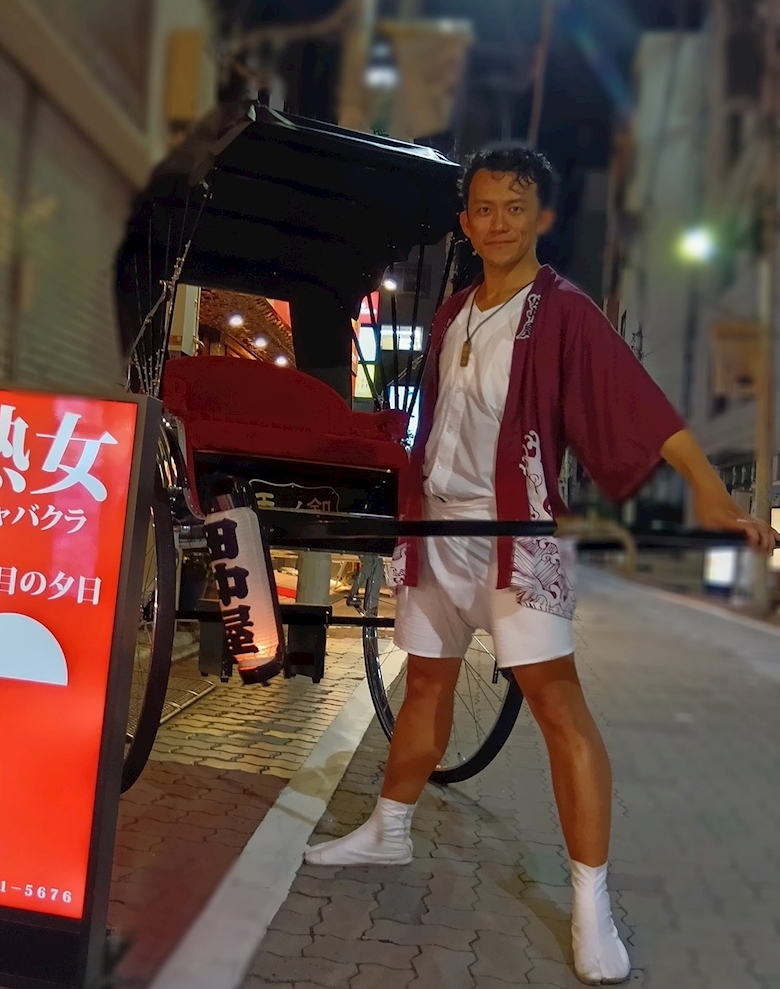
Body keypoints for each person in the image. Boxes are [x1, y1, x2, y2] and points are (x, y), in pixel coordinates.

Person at [303, 147, 776, 986]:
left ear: (540, 218)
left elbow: (638, 399)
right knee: (426, 684)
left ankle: (592, 903)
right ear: (466, 221)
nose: (498, 223)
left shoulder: (563, 311)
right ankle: (388, 827)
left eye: (514, 207)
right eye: (484, 208)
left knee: (559, 704)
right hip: (436, 527)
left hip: (517, 534)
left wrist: (709, 489)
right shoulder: (452, 313)